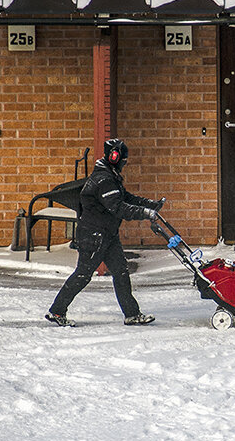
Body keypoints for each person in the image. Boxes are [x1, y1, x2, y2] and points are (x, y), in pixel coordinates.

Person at [46, 138, 163, 327]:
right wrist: (144, 213)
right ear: (114, 157)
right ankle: (57, 311)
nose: (125, 163)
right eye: (123, 159)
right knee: (83, 274)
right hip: (94, 235)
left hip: (107, 233)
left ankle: (132, 314)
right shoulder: (104, 179)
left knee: (121, 271)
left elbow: (125, 197)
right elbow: (118, 207)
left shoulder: (110, 175)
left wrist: (150, 205)